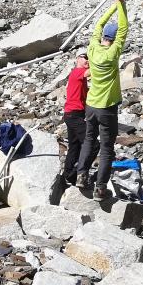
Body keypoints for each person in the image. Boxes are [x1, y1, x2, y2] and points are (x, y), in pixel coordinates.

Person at [76, 0, 129, 201]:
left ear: (103, 36)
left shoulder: (92, 48)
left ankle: (81, 176)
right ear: (114, 39)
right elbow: (124, 28)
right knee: (107, 148)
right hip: (107, 107)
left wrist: (113, 6)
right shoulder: (113, 53)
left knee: (89, 139)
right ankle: (100, 188)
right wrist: (121, 3)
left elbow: (98, 25)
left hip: (91, 105)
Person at [62, 48, 90, 185]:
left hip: (72, 114)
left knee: (74, 146)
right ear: (78, 58)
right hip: (73, 115)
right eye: (85, 57)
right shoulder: (77, 72)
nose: (88, 61)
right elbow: (91, 72)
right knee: (92, 144)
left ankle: (68, 175)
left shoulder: (80, 76)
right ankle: (79, 173)